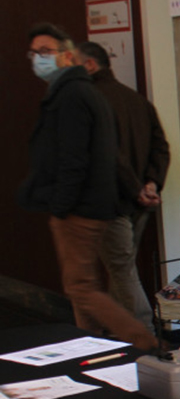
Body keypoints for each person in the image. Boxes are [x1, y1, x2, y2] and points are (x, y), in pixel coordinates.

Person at [17, 24, 158, 352]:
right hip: (111, 204)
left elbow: (76, 159)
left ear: (69, 56)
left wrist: (61, 205)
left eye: (45, 52)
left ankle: (142, 341)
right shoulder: (91, 94)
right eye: (34, 53)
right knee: (111, 276)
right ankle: (94, 346)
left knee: (82, 287)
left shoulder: (73, 95)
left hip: (83, 207)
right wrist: (142, 187)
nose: (38, 59)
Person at [76, 41, 171, 331]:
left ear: (90, 65)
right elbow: (160, 146)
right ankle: (118, 333)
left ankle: (143, 334)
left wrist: (135, 188)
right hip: (138, 204)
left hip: (108, 202)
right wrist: (151, 184)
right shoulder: (136, 100)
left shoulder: (87, 102)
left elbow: (109, 155)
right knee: (120, 269)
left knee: (120, 270)